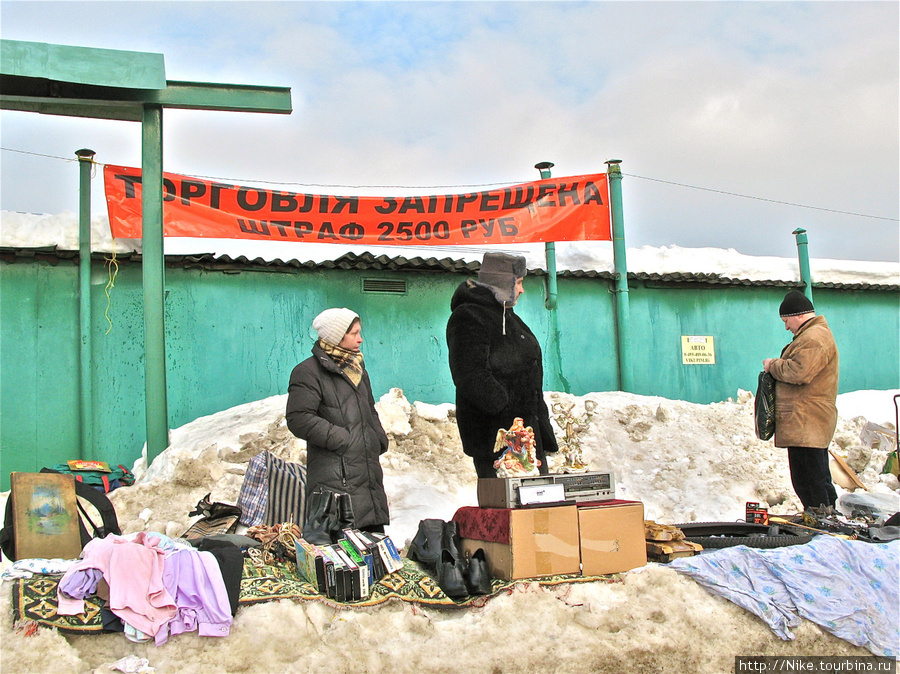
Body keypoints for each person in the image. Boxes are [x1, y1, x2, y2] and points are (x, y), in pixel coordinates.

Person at [446, 252, 559, 478]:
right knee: (508, 509)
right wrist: (507, 412)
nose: (521, 290)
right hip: (498, 437)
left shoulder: (510, 317)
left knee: (540, 506)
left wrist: (538, 425)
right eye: (518, 283)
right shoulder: (469, 316)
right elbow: (470, 375)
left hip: (527, 435)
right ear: (502, 283)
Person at [286, 308, 389, 533]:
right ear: (336, 335)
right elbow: (298, 418)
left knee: (372, 549)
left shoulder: (357, 368)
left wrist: (377, 438)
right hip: (335, 479)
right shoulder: (308, 372)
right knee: (342, 557)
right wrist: (343, 439)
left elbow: (370, 409)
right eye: (354, 333)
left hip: (367, 476)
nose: (360, 339)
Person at [763, 290, 839, 511]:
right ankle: (826, 516)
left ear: (797, 315)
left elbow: (799, 372)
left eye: (786, 321)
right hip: (807, 421)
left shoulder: (814, 338)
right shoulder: (813, 335)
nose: (787, 327)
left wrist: (773, 365)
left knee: (809, 479)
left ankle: (821, 521)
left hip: (807, 421)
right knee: (816, 477)